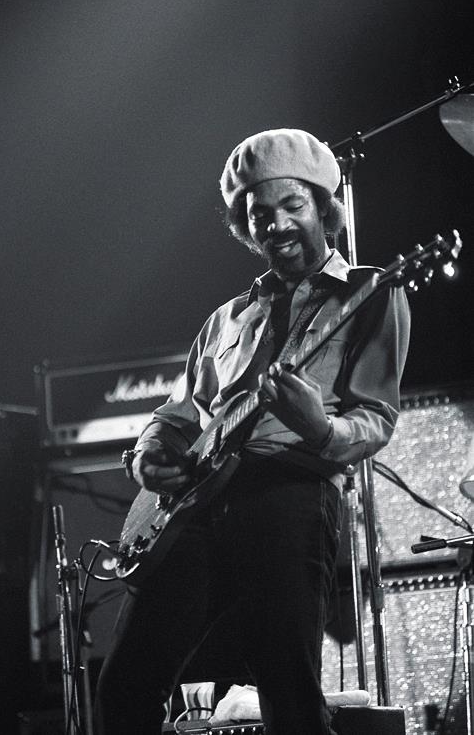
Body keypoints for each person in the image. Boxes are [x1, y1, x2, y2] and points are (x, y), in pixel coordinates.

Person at [95, 128, 411, 734]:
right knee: (124, 686)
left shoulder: (373, 291)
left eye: (293, 205)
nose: (277, 224)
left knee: (287, 690)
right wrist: (147, 455)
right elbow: (176, 414)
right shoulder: (226, 319)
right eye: (259, 213)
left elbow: (376, 416)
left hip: (289, 489)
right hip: (194, 509)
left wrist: (319, 428)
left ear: (325, 208)